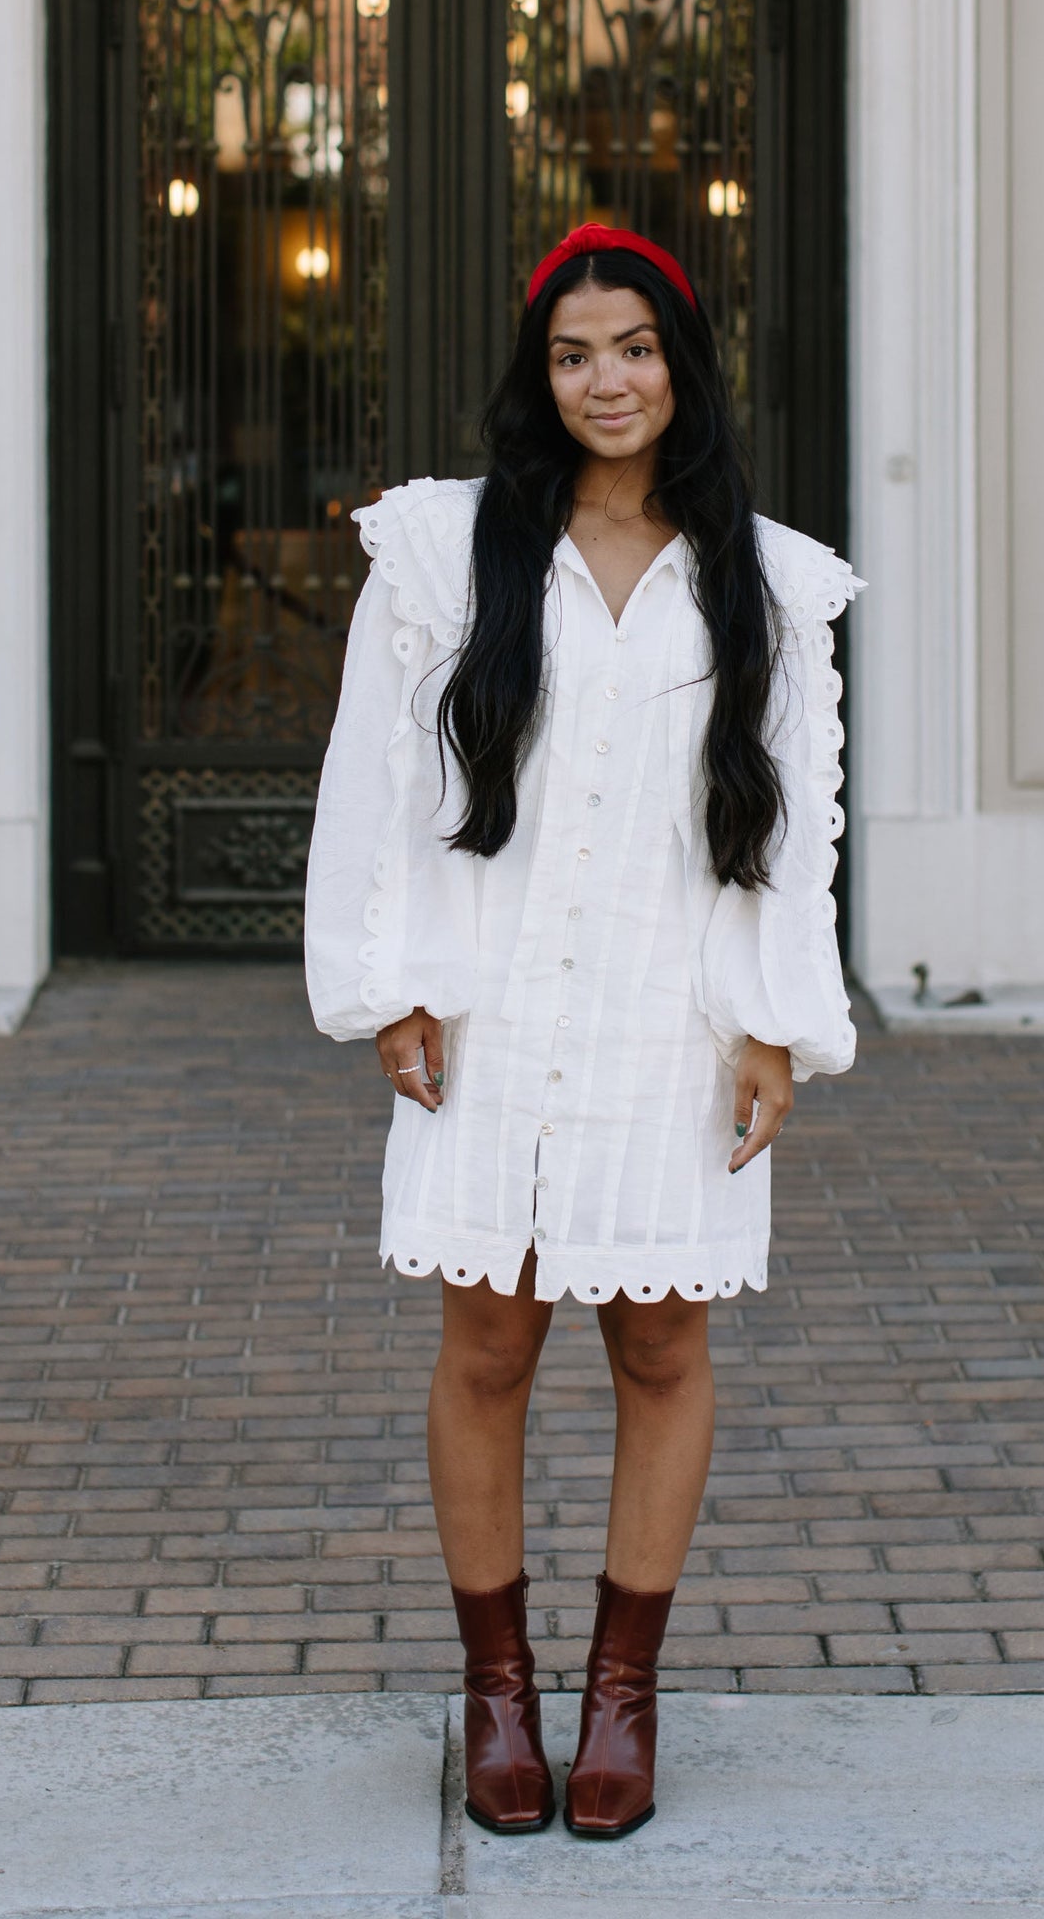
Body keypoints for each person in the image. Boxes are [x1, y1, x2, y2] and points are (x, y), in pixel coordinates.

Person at [305, 223, 862, 1840]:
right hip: (489, 1000)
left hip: (666, 1014)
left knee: (659, 1343)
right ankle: (501, 1693)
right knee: (486, 1343)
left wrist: (769, 1023)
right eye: (571, 354)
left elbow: (791, 821)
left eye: (630, 347)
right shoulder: (442, 550)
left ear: (678, 362)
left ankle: (623, 1695)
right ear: (538, 376)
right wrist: (387, 983)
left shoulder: (769, 576)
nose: (603, 379)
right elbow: (374, 785)